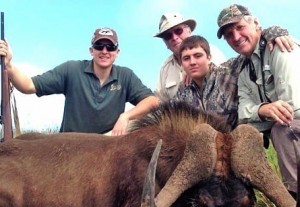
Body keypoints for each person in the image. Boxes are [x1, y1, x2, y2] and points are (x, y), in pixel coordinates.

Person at [0, 28, 159, 135]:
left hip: (107, 151)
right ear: (91, 50)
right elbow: (28, 86)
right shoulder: (71, 69)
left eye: (110, 47)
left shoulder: (126, 75)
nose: (104, 51)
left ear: (117, 52)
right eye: (99, 46)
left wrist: (126, 117)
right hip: (70, 151)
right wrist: (9, 65)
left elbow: (152, 101)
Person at [217, 4, 300, 196]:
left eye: (239, 27)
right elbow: (244, 114)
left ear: (256, 24)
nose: (236, 37)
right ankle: (244, 199)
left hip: (292, 124)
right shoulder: (245, 71)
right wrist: (263, 110)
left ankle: (294, 198)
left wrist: (261, 115)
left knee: (282, 129)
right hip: (286, 125)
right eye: (229, 34)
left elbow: (293, 109)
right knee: (241, 134)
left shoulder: (280, 48)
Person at [154, 12, 294, 103]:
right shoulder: (165, 68)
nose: (174, 37)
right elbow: (160, 102)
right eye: (168, 36)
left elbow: (242, 60)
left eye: (178, 31)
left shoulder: (215, 54)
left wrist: (272, 32)